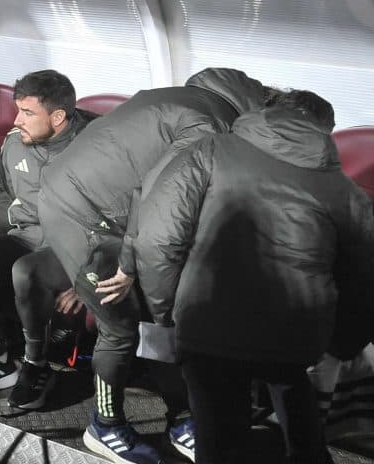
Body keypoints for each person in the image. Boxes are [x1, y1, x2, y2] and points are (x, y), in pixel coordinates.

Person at [35, 68, 269, 464]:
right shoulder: (210, 126)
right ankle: (103, 426)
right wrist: (128, 265)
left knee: (154, 318)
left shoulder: (181, 97)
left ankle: (181, 420)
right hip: (84, 215)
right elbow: (156, 195)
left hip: (97, 205)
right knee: (120, 324)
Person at [133, 90, 374, 464]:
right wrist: (340, 345)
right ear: (324, 131)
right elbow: (364, 280)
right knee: (298, 413)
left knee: (219, 438)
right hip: (298, 334)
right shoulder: (344, 191)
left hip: (209, 325)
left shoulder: (210, 151)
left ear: (266, 113)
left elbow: (156, 241)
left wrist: (167, 314)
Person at [0, 70, 95, 409]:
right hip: (27, 233)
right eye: (18, 110)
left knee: (25, 271)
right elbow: (4, 192)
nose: (16, 121)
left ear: (58, 117)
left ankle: (36, 365)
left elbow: (116, 223)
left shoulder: (95, 150)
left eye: (27, 113)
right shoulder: (16, 142)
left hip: (72, 247)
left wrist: (86, 280)